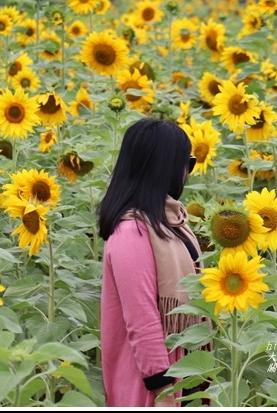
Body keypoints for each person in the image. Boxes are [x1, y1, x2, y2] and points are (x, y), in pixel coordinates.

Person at [98, 117, 207, 407]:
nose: (188, 172)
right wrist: (162, 385)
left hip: (185, 368)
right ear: (167, 167)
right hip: (152, 386)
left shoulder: (172, 221)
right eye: (189, 162)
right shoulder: (131, 233)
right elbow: (141, 317)